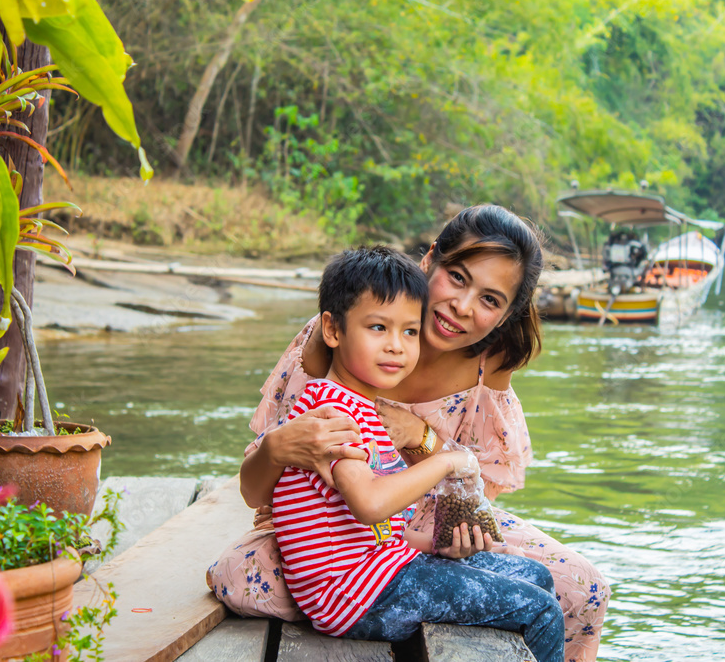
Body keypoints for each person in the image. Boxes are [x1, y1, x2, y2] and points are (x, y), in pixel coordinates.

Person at [207, 205, 611, 662]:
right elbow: (272, 482)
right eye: (457, 277)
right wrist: (278, 448)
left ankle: (427, 602)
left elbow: (481, 486)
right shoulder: (347, 332)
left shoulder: (490, 361)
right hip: (341, 530)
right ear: (430, 260)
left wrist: (420, 437)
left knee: (584, 587)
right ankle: (402, 610)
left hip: (424, 521)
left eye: (490, 300)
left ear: (505, 315)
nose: (462, 306)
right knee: (243, 573)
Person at [269, 245, 563, 660]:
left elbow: (371, 533)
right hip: (352, 595)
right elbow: (369, 504)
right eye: (378, 329)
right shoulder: (336, 414)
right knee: (541, 612)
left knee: (536, 576)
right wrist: (446, 460)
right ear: (333, 331)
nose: (397, 347)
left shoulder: (363, 405)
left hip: (379, 569)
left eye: (410, 332)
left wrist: (433, 545)